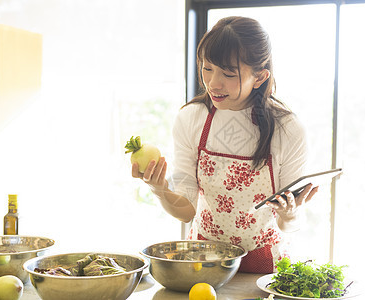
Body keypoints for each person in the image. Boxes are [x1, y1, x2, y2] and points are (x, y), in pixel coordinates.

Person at [132, 16, 318, 273]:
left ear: (260, 76)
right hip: (203, 262)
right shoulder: (191, 118)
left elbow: (290, 223)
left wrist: (289, 213)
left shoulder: (287, 128)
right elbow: (187, 211)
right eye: (207, 68)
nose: (213, 83)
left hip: (263, 265)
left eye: (228, 74)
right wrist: (160, 189)